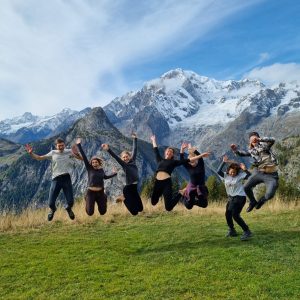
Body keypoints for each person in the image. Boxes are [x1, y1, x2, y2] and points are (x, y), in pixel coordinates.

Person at [25, 138, 82, 221]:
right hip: (56, 179)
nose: (61, 147)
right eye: (59, 146)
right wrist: (31, 153)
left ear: (64, 145)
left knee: (71, 202)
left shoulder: (70, 151)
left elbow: (82, 159)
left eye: (62, 145)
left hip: (66, 178)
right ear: (56, 146)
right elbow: (40, 158)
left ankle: (68, 209)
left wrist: (77, 154)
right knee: (51, 203)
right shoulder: (53, 153)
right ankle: (53, 210)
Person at [150, 135, 207, 211]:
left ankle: (181, 194)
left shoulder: (173, 162)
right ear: (165, 153)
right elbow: (155, 150)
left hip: (167, 183)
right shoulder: (160, 160)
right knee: (153, 202)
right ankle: (182, 194)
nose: (169, 152)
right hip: (158, 182)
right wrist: (153, 140)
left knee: (168, 208)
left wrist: (198, 153)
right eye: (168, 151)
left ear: (172, 155)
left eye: (171, 151)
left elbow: (186, 160)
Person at [231, 132, 279, 212]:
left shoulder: (265, 146)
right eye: (252, 139)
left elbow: (273, 140)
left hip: (271, 174)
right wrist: (235, 150)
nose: (253, 140)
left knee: (270, 194)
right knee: (246, 187)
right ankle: (252, 202)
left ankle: (261, 201)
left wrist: (259, 139)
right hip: (259, 172)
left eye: (255, 138)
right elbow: (241, 154)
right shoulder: (251, 150)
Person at [101, 133, 143, 215]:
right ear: (122, 159)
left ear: (129, 156)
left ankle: (124, 199)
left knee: (140, 208)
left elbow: (135, 149)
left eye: (126, 156)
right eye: (123, 157)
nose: (125, 158)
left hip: (134, 187)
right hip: (128, 188)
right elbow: (115, 157)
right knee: (134, 212)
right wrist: (108, 149)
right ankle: (122, 198)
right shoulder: (124, 165)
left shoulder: (133, 160)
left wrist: (135, 139)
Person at [76, 138, 117, 216]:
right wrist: (79, 145)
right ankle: (87, 199)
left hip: (100, 193)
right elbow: (84, 157)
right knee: (90, 213)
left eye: (96, 162)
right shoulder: (89, 168)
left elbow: (105, 177)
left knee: (103, 212)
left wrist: (114, 173)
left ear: (99, 163)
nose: (94, 163)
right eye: (93, 162)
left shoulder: (101, 170)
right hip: (90, 193)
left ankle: (104, 197)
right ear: (91, 163)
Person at [217, 155, 252, 240]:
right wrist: (223, 162)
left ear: (237, 172)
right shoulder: (226, 176)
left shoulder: (240, 176)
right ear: (228, 171)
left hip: (240, 197)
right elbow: (218, 171)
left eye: (234, 172)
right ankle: (232, 230)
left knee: (234, 214)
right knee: (228, 214)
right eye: (231, 172)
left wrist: (245, 169)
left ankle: (247, 231)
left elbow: (250, 175)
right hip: (231, 198)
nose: (233, 174)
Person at [179, 143, 210, 209]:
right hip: (192, 187)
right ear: (189, 161)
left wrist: (193, 150)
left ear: (196, 159)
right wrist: (182, 149)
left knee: (204, 204)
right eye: (190, 160)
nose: (192, 160)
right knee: (189, 206)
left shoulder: (200, 165)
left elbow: (200, 156)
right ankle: (184, 195)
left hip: (201, 187)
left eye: (193, 159)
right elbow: (181, 160)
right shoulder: (189, 167)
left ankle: (193, 201)